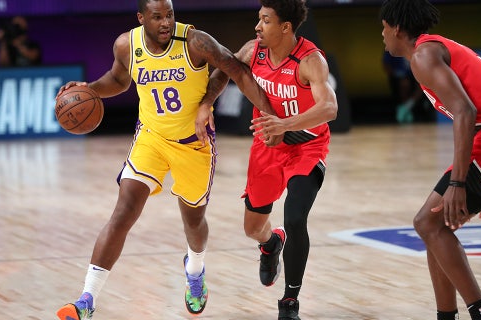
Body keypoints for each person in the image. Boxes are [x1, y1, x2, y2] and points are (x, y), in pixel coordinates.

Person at [54, 0, 275, 319]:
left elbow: (236, 71)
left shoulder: (196, 42)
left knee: (193, 221)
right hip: (152, 139)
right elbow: (118, 81)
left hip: (193, 143)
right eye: (157, 16)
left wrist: (270, 116)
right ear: (141, 18)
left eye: (169, 15)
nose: (165, 22)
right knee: (123, 212)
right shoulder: (126, 45)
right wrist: (89, 89)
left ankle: (195, 271)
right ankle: (87, 299)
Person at [198, 0, 338, 318]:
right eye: (258, 19)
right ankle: (271, 243)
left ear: (285, 27)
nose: (257, 26)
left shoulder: (310, 60)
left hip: (307, 148)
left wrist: (284, 124)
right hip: (267, 148)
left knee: (295, 217)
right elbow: (224, 73)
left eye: (265, 21)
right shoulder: (253, 50)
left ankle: (290, 301)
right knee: (252, 227)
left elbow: (330, 109)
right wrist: (207, 103)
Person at [380, 0, 481, 319]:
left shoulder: (423, 55)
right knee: (434, 224)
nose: (383, 36)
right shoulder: (428, 51)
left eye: (384, 28)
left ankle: (480, 313)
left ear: (397, 28)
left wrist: (459, 182)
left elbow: (465, 111)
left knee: (427, 223)